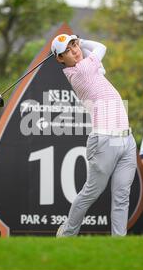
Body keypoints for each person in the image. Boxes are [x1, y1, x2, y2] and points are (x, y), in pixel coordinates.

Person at [51, 34, 136, 237]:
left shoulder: (89, 69)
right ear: (60, 59)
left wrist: (77, 44)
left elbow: (95, 60)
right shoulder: (81, 70)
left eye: (74, 45)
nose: (75, 50)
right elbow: (101, 47)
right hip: (104, 139)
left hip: (127, 138)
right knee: (91, 192)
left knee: (122, 196)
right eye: (68, 50)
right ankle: (67, 234)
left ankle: (119, 242)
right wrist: (82, 41)